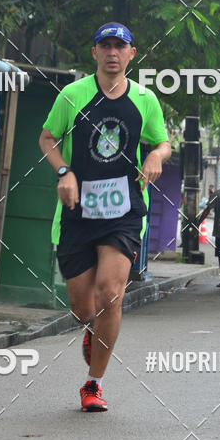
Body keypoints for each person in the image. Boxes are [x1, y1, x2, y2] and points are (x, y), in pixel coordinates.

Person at [38, 22, 170, 412]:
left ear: (132, 53)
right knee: (83, 308)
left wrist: (154, 155)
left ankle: (93, 384)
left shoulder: (145, 99)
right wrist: (64, 171)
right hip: (77, 214)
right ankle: (92, 330)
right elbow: (48, 138)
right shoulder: (73, 95)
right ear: (94, 52)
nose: (112, 52)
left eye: (120, 46)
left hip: (124, 212)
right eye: (105, 45)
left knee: (110, 294)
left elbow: (163, 141)